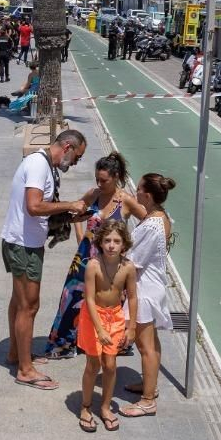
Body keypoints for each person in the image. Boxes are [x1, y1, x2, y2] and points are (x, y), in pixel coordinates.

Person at [0, 130, 88, 390]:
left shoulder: (44, 165)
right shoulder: (39, 165)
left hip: (25, 242)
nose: (75, 163)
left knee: (19, 302)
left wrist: (71, 216)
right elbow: (34, 206)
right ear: (68, 146)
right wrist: (70, 204)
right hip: (23, 246)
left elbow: (39, 212)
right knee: (29, 306)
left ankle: (17, 354)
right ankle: (25, 370)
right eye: (77, 157)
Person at [47, 152, 140, 360]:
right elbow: (75, 212)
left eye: (104, 180)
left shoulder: (126, 201)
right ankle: (64, 343)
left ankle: (113, 340)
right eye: (97, 179)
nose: (100, 183)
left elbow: (148, 222)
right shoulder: (94, 194)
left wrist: (129, 247)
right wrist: (81, 236)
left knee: (109, 301)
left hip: (112, 262)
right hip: (86, 257)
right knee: (71, 299)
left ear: (116, 177)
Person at [120, 173, 175, 418]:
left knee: (145, 346)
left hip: (144, 290)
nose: (136, 192)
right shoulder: (160, 216)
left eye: (139, 189)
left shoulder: (151, 225)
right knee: (151, 341)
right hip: (153, 286)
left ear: (148, 195)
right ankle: (148, 384)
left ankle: (147, 400)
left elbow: (134, 262)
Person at [77, 220, 137, 433]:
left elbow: (132, 297)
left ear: (124, 244)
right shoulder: (93, 265)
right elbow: (90, 299)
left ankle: (104, 406)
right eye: (107, 240)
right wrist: (99, 329)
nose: (112, 245)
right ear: (100, 243)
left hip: (116, 317)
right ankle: (85, 406)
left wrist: (131, 328)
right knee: (93, 364)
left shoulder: (128, 267)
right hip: (93, 318)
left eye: (117, 241)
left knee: (110, 365)